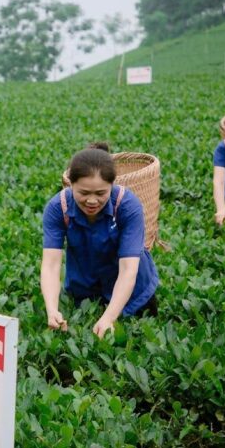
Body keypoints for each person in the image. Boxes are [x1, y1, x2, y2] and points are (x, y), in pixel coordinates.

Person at [41, 142, 160, 338]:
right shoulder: (57, 208)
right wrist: (52, 309)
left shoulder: (127, 205)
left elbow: (129, 269)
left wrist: (109, 317)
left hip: (132, 292)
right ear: (71, 184)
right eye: (84, 193)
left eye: (101, 193)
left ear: (112, 184)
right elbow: (51, 265)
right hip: (85, 290)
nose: (92, 201)